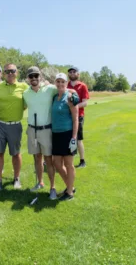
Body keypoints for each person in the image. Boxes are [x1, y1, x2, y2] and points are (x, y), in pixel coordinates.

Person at [23, 66, 61, 200]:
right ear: (28, 78)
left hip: (46, 130)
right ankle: (40, 182)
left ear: (40, 77)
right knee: (36, 158)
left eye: (36, 76)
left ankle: (53, 187)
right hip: (32, 129)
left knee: (48, 160)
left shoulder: (50, 89)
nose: (34, 78)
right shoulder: (26, 93)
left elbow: (63, 89)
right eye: (31, 76)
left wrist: (73, 91)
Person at [0, 63, 28, 191]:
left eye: (13, 71)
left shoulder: (24, 87)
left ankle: (16, 178)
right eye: (7, 71)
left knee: (16, 154)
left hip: (15, 125)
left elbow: (36, 93)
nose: (10, 73)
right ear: (4, 73)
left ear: (17, 72)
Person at [52, 73, 79, 201]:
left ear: (66, 82)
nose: (60, 84)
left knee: (69, 164)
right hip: (56, 134)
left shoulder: (70, 97)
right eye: (58, 81)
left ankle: (69, 192)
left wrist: (74, 137)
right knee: (57, 163)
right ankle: (70, 186)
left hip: (68, 134)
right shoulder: (54, 97)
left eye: (62, 81)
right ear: (55, 83)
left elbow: (75, 119)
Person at [67, 66, 89, 168]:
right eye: (70, 72)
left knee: (78, 138)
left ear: (78, 74)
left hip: (78, 116)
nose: (72, 73)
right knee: (68, 137)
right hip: (67, 116)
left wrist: (74, 107)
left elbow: (85, 103)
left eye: (74, 72)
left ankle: (82, 161)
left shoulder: (82, 86)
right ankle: (68, 160)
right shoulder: (66, 85)